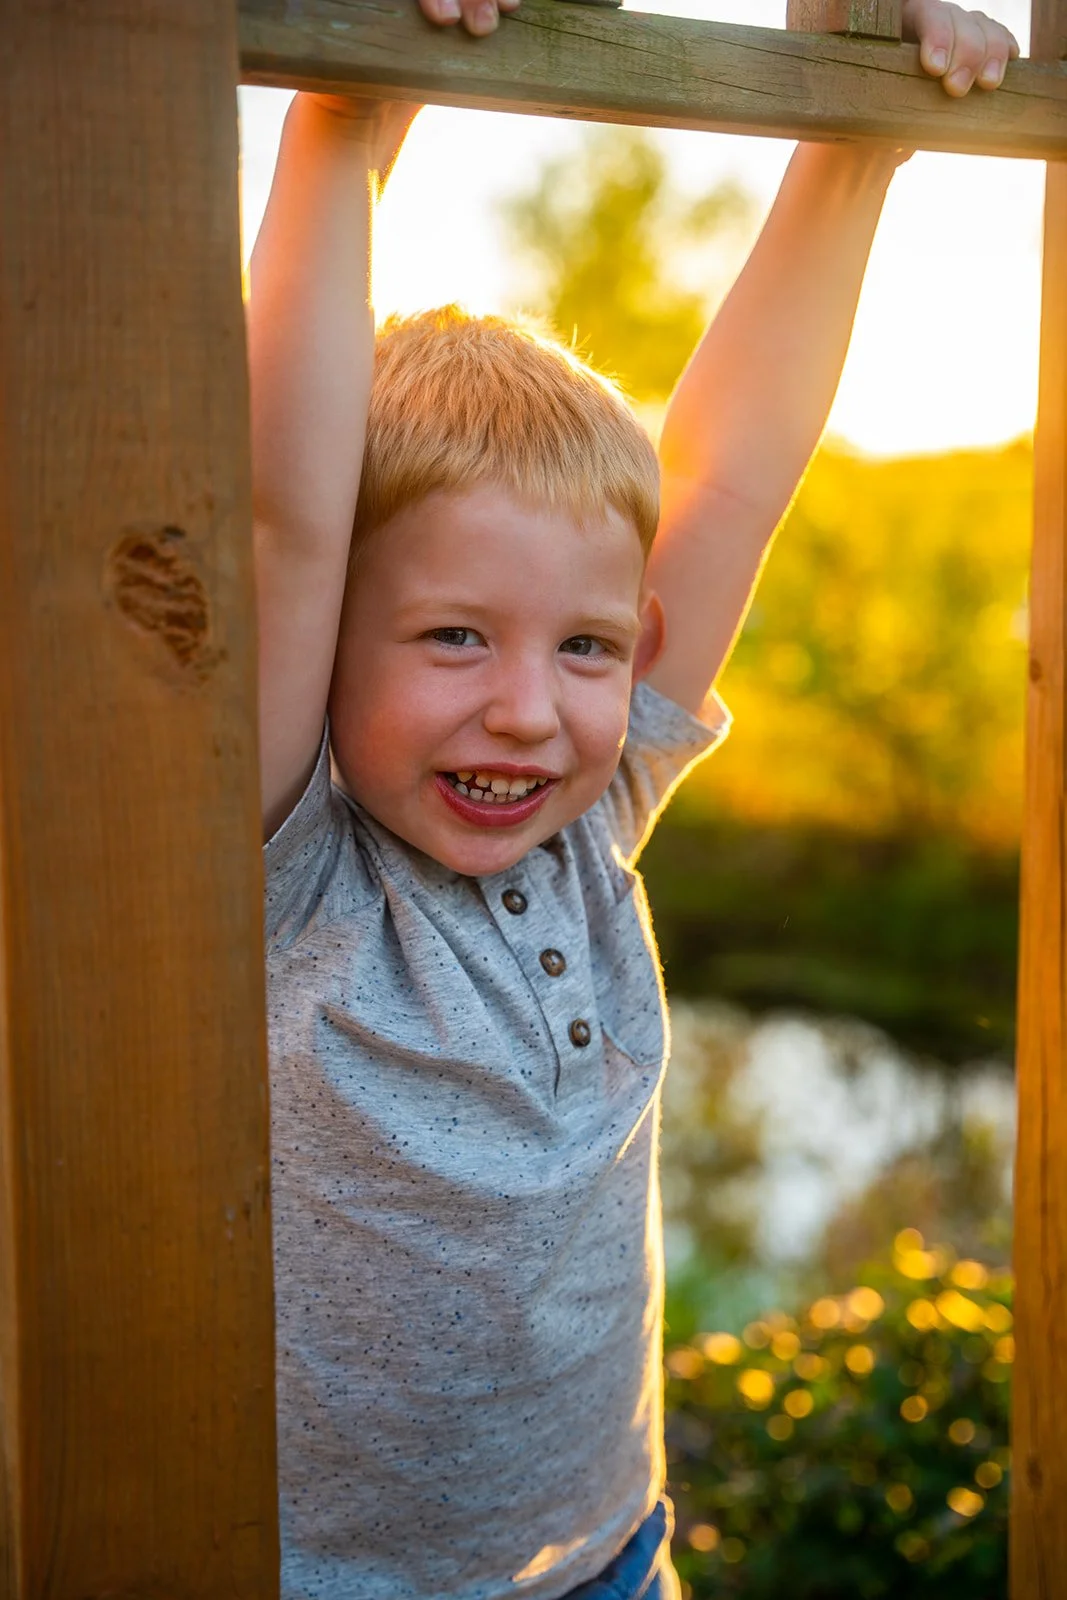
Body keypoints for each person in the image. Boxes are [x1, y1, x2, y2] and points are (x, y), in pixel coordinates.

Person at [249, 3, 1017, 1595]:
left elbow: (734, 471)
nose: (528, 710)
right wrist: (349, 116)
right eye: (454, 635)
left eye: (586, 646)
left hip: (608, 1557)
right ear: (325, 637)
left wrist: (857, 132)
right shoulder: (284, 858)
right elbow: (285, 513)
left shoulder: (596, 821)